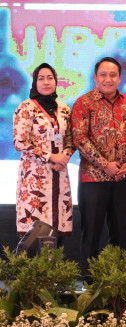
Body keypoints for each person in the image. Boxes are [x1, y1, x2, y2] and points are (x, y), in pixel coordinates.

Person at [72, 57, 126, 278]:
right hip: (93, 181)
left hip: (122, 180)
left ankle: (117, 281)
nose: (108, 79)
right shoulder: (84, 103)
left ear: (119, 77)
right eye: (103, 74)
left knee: (121, 234)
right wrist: (104, 165)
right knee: (91, 233)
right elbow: (80, 140)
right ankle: (90, 284)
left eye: (113, 75)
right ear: (95, 77)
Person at [14, 63, 75, 240]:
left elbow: (70, 140)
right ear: (35, 82)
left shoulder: (64, 108)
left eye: (50, 78)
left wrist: (64, 158)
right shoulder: (26, 108)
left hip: (59, 175)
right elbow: (19, 142)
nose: (46, 82)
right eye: (41, 79)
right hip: (35, 178)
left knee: (58, 234)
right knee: (35, 237)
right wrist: (50, 156)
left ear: (56, 81)